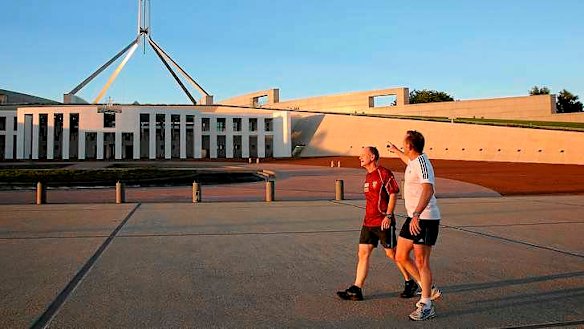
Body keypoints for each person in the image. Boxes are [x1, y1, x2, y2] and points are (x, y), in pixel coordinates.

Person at [337, 146, 418, 301]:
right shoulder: (368, 176)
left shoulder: (384, 173)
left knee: (392, 254)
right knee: (363, 253)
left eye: (363, 155)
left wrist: (388, 216)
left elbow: (393, 194)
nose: (359, 158)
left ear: (372, 157)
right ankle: (357, 289)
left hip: (383, 222)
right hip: (368, 222)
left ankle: (410, 282)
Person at [388, 130, 442, 321]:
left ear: (410, 146)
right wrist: (395, 151)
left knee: (421, 261)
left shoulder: (422, 162)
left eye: (403, 144)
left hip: (425, 217)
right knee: (400, 256)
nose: (402, 145)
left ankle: (427, 304)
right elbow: (408, 161)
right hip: (413, 217)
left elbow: (428, 188)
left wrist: (417, 214)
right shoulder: (413, 161)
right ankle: (428, 287)